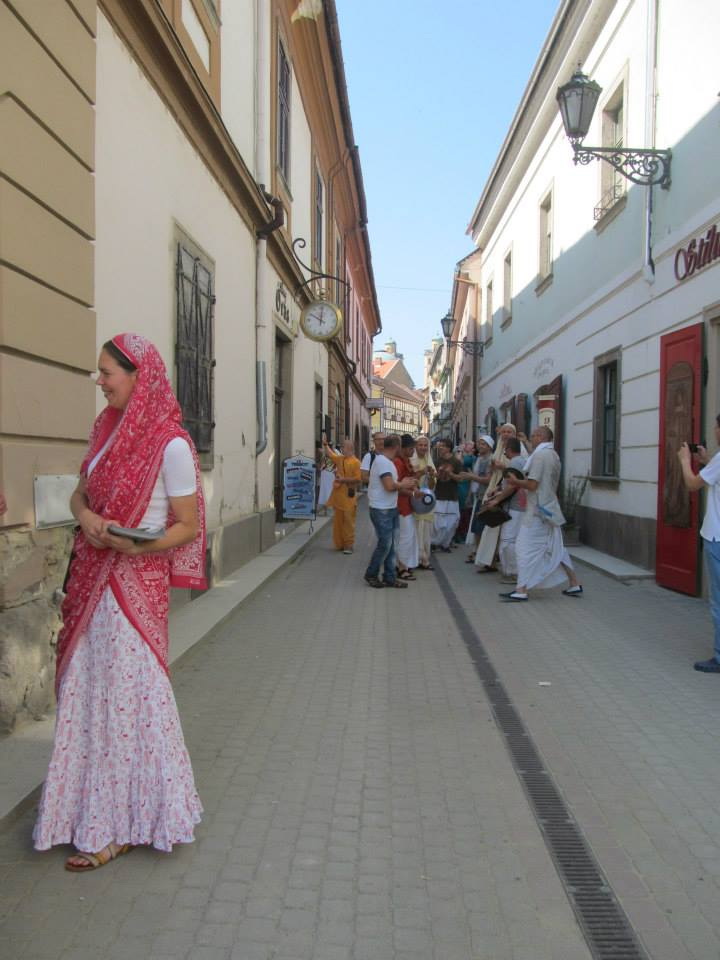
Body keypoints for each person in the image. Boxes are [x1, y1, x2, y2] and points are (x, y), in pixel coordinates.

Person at [33, 334, 206, 871]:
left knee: (129, 703)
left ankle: (125, 825)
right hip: (92, 581)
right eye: (99, 372)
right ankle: (81, 815)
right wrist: (87, 518)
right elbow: (80, 493)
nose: (100, 382)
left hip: (134, 587)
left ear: (138, 377)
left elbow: (188, 526)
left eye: (107, 373)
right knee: (88, 696)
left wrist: (137, 546)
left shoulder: (171, 444)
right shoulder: (105, 431)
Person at [500, 425, 582, 602]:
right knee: (555, 547)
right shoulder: (553, 454)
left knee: (523, 548)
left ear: (540, 437)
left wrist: (515, 481)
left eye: (533, 436)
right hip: (549, 509)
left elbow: (532, 485)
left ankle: (521, 590)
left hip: (537, 511)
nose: (531, 439)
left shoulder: (539, 456)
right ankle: (574, 583)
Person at [678, 418, 720, 671]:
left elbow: (693, 484)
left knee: (718, 600)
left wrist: (685, 461)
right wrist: (706, 461)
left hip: (717, 537)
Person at [364, 434, 416, 589]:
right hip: (381, 509)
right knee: (385, 545)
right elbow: (389, 486)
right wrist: (403, 484)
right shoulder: (383, 462)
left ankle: (390, 577)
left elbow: (392, 484)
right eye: (401, 446)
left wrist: (405, 484)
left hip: (390, 508)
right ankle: (371, 574)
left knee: (392, 545)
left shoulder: (387, 462)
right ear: (396, 447)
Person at [482, 437, 527, 583]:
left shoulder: (514, 463)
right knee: (513, 540)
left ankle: (512, 573)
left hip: (515, 506)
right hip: (521, 506)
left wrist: (497, 500)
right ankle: (514, 572)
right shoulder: (524, 461)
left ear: (509, 449)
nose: (504, 452)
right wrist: (497, 491)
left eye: (505, 449)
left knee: (508, 540)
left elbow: (512, 486)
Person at [322, 434, 361, 554]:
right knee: (338, 522)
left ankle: (348, 545)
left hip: (349, 497)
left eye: (343, 447)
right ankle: (339, 544)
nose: (341, 448)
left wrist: (343, 479)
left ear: (349, 448)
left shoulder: (356, 462)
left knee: (348, 522)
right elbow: (330, 454)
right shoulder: (340, 459)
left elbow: (358, 479)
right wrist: (325, 445)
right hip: (338, 497)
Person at [394, 434, 419, 579]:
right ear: (403, 448)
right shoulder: (398, 462)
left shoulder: (406, 461)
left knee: (409, 536)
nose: (413, 451)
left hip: (407, 504)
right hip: (401, 505)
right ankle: (401, 567)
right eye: (411, 448)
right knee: (405, 537)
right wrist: (414, 493)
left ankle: (405, 564)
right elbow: (396, 487)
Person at [465, 436, 494, 564]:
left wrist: (471, 476)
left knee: (481, 527)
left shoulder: (490, 460)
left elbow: (488, 480)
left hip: (486, 497)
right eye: (479, 443)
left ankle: (481, 554)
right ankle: (477, 552)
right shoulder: (479, 459)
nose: (480, 446)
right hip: (478, 496)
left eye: (483, 444)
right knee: (476, 528)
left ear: (489, 447)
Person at [410, 435, 436, 570]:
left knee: (426, 531)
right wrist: (421, 472)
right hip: (414, 500)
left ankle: (425, 558)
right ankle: (416, 559)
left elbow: (432, 486)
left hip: (428, 502)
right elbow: (410, 478)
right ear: (416, 446)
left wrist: (431, 476)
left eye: (425, 445)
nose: (423, 447)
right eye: (420, 445)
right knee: (415, 530)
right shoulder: (411, 460)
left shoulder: (429, 461)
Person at [456, 441, 477, 542]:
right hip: (460, 483)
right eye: (467, 444)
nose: (466, 445)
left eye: (470, 445)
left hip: (466, 483)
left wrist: (460, 451)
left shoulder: (471, 458)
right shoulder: (464, 456)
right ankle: (459, 532)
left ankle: (462, 532)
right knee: (461, 508)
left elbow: (459, 462)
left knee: (465, 509)